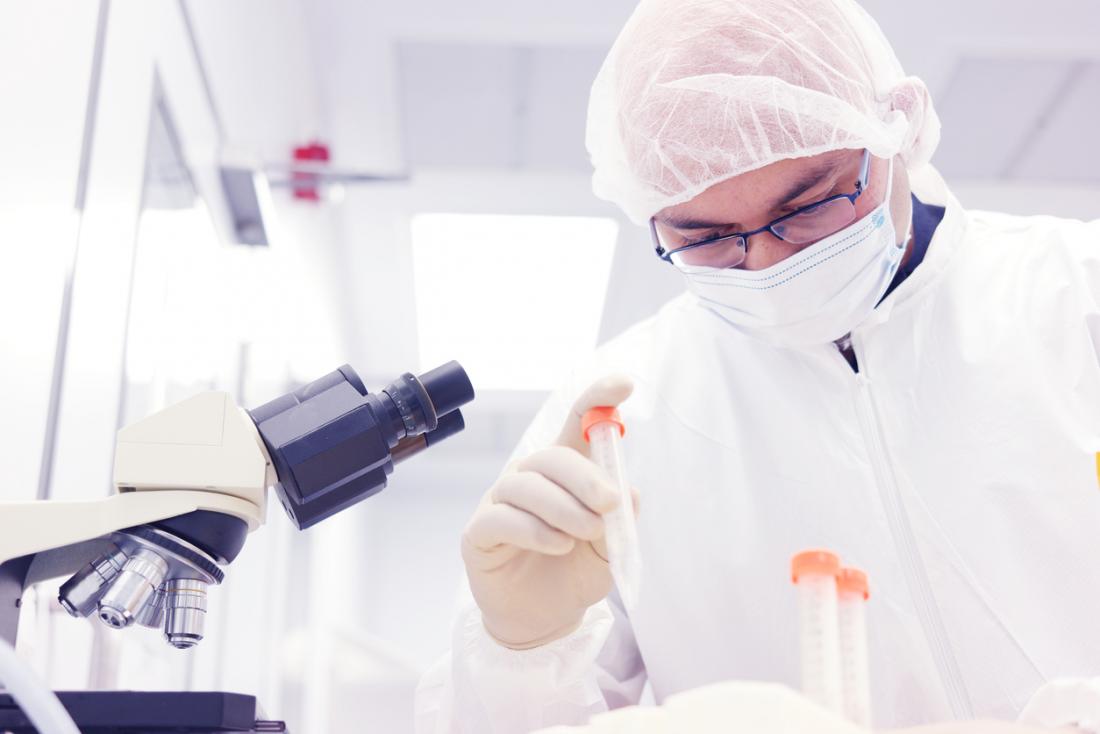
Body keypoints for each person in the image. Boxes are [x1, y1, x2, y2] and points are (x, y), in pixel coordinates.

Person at [415, 0, 1100, 731]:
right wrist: (523, 648)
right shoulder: (620, 418)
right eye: (705, 237)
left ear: (897, 126)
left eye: (810, 204)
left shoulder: (1076, 295)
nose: (770, 262)